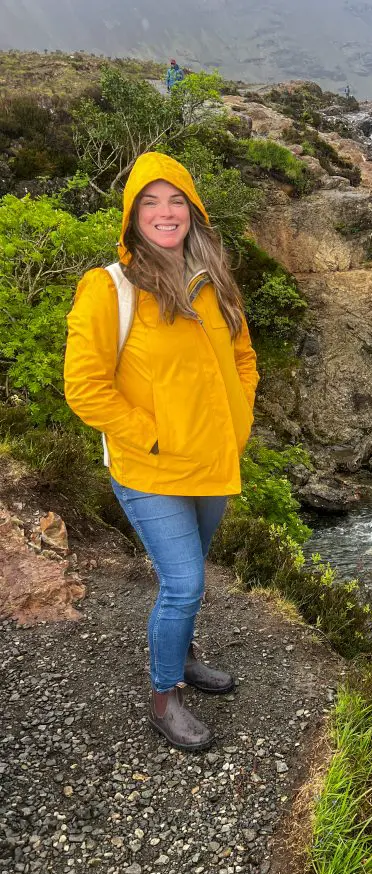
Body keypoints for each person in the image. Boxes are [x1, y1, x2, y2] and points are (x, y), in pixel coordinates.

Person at [64, 152, 259, 751]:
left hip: (212, 461)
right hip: (149, 466)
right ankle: (163, 695)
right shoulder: (109, 288)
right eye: (150, 202)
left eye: (176, 200)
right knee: (184, 583)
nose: (165, 213)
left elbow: (244, 357)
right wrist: (151, 434)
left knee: (188, 580)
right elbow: (84, 385)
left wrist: (240, 418)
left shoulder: (213, 279)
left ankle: (184, 653)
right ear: (132, 216)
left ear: (193, 211)